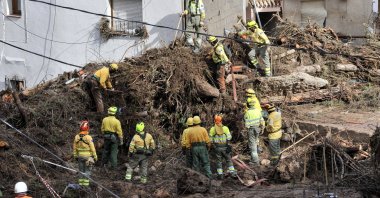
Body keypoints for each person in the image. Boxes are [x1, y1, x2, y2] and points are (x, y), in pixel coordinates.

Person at [209, 115, 237, 179]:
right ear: (221, 121)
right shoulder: (225, 128)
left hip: (217, 147)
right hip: (225, 147)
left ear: (214, 121)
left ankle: (220, 175)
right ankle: (233, 173)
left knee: (219, 161)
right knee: (229, 160)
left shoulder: (212, 129)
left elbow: (210, 140)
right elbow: (229, 138)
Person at [73, 120, 97, 187]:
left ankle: (80, 185)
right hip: (87, 157)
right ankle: (85, 186)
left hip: (80, 156)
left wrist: (75, 155)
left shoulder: (76, 137)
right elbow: (92, 148)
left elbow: (74, 148)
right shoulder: (88, 137)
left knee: (81, 171)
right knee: (87, 171)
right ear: (87, 128)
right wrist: (95, 156)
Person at [244, 98, 265, 165]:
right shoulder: (258, 111)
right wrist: (262, 128)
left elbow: (247, 125)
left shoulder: (247, 113)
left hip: (251, 130)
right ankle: (254, 157)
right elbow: (262, 121)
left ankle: (255, 162)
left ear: (248, 105)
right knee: (256, 141)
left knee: (252, 146)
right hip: (258, 129)